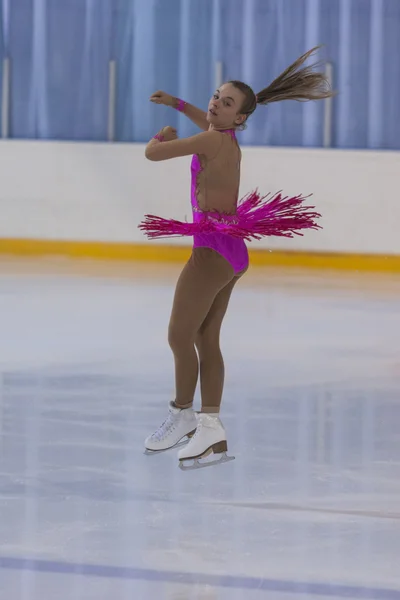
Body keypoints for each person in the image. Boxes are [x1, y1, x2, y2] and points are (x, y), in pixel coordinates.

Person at [140, 46, 334, 469]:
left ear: (240, 118)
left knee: (178, 335)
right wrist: (178, 102)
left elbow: (153, 155)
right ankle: (210, 429)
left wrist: (161, 137)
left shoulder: (211, 138)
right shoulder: (222, 136)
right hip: (231, 251)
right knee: (205, 339)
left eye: (226, 102)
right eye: (215, 95)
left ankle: (181, 414)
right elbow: (207, 124)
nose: (214, 104)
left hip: (211, 251)